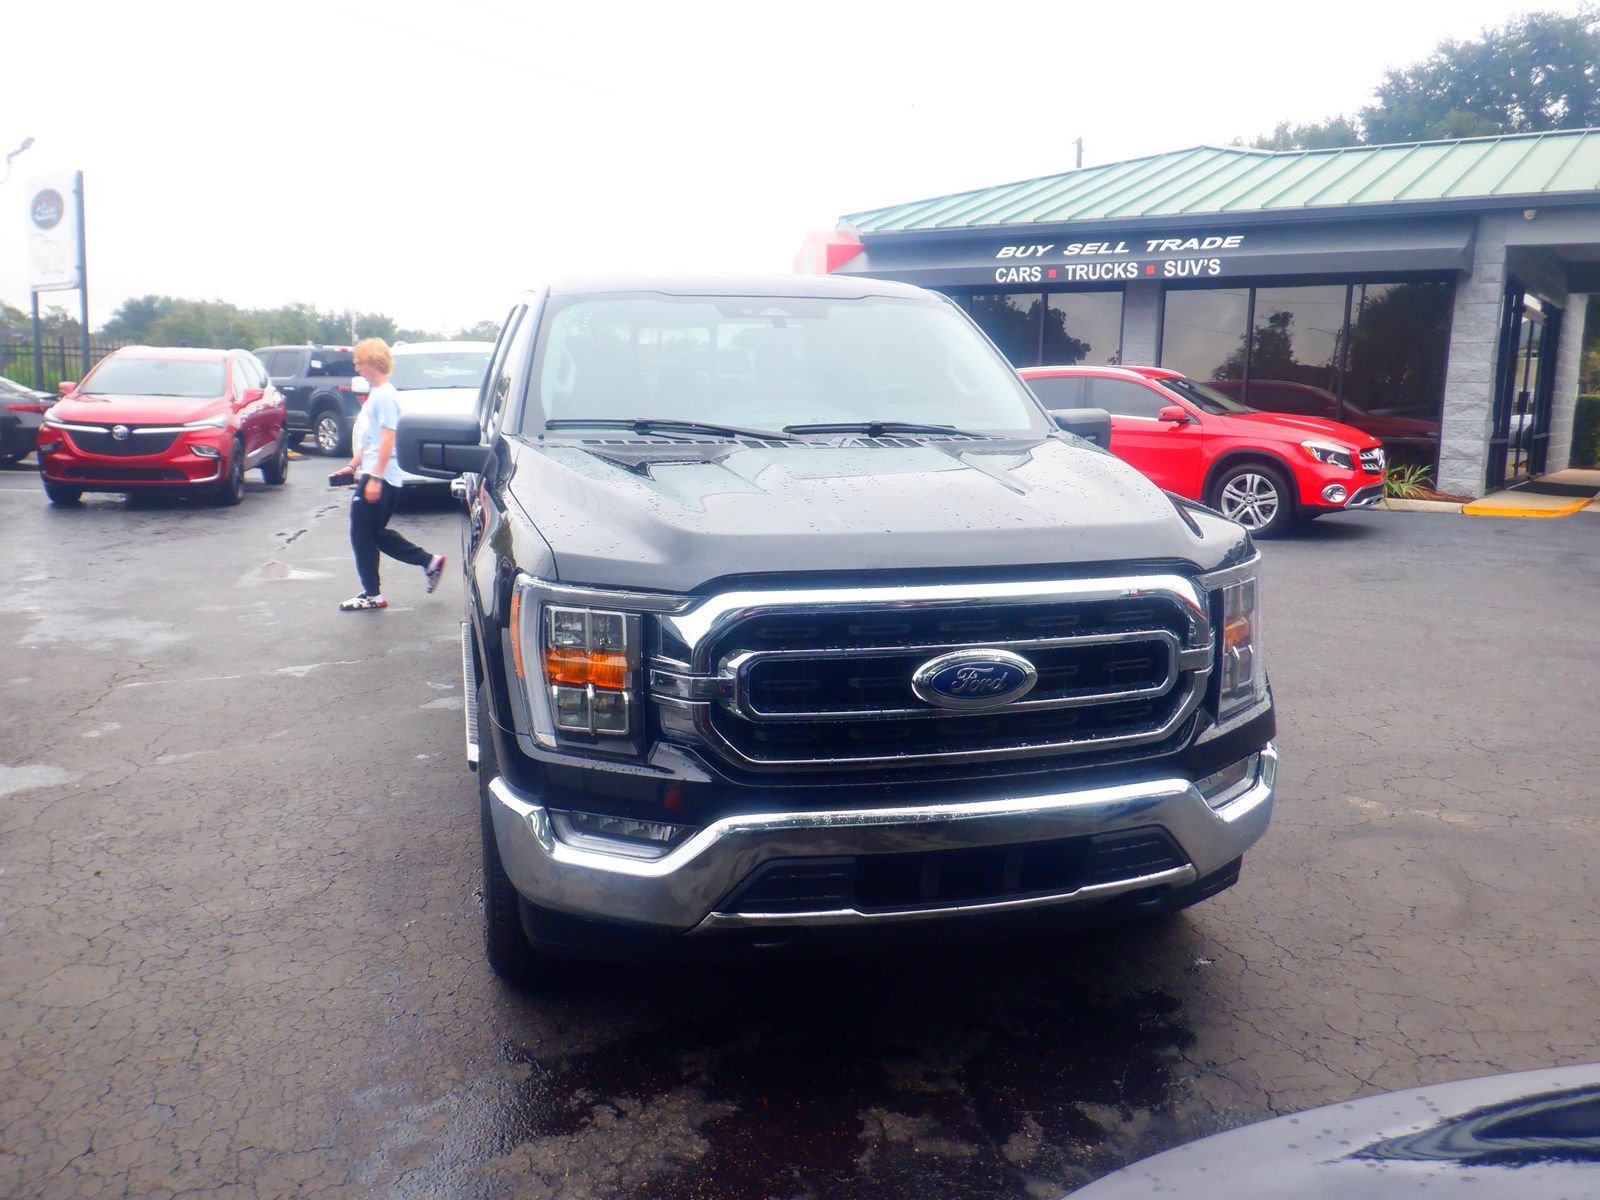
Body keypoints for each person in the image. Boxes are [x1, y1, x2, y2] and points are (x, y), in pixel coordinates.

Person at [338, 337, 445, 612]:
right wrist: (352, 466)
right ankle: (427, 563)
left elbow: (388, 439)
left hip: (381, 476)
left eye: (360, 362)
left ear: (374, 362)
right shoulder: (379, 393)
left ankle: (373, 593)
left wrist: (374, 478)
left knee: (363, 534)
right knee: (372, 533)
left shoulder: (385, 396)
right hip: (378, 473)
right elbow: (372, 440)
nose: (357, 368)